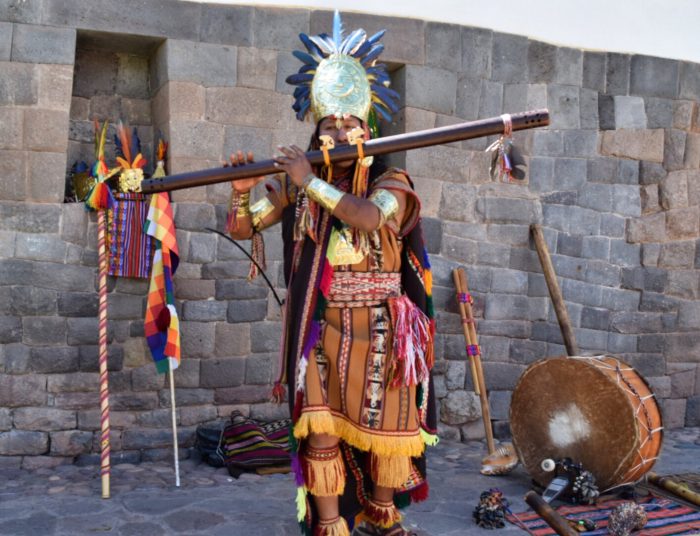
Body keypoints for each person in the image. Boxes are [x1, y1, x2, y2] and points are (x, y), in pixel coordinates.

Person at [227, 12, 437, 536]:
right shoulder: (302, 188)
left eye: (349, 123)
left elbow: (367, 216)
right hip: (322, 330)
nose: (339, 131)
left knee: (385, 430)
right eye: (329, 124)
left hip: (385, 327)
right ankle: (330, 527)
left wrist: (308, 182)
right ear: (316, 130)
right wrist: (241, 190)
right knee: (321, 434)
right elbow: (246, 225)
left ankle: (383, 520)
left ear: (368, 128)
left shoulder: (395, 180)